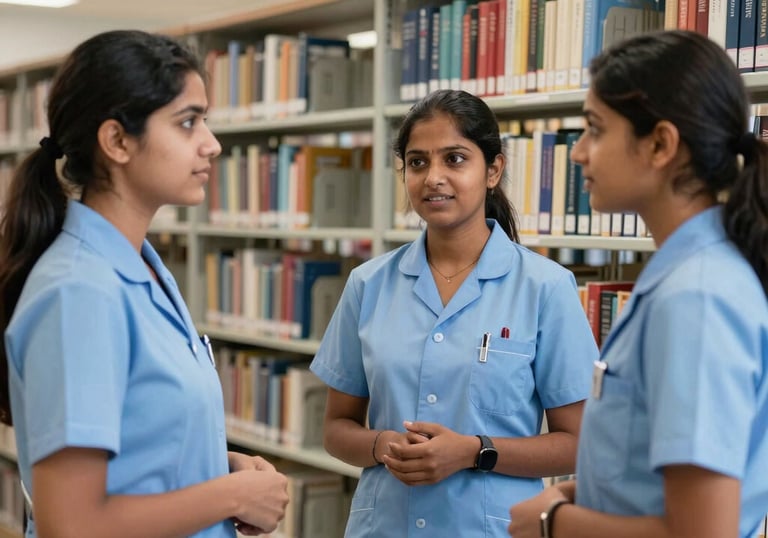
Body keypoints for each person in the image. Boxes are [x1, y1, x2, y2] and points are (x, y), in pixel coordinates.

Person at [0, 30, 289, 538]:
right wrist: (231, 495)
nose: (212, 144)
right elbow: (71, 525)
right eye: (188, 122)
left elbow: (139, 440)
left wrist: (216, 468)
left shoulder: (142, 268)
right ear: (117, 141)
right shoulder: (78, 293)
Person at [508, 30, 768, 538]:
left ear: (660, 145)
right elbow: (654, 474)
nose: (578, 153)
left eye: (595, 130)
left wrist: (554, 522)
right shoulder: (684, 275)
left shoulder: (697, 298)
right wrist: (577, 494)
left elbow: (701, 533)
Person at [309, 89, 598, 537]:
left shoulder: (545, 288)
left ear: (493, 170)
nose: (433, 178)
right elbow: (336, 429)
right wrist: (382, 444)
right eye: (418, 162)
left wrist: (473, 451)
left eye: (455, 159)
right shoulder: (369, 283)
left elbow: (579, 445)